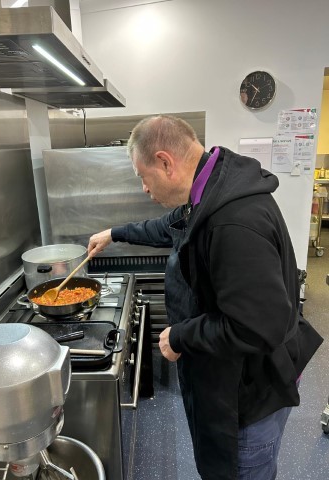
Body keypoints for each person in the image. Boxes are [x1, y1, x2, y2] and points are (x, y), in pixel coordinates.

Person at [87, 115, 323, 480]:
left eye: (143, 177)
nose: (145, 190)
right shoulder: (210, 186)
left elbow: (260, 326)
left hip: (248, 397)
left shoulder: (234, 222)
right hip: (229, 379)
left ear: (165, 162)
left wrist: (181, 336)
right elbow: (170, 226)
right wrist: (115, 233)